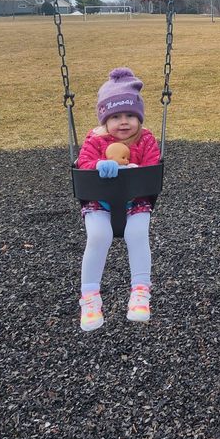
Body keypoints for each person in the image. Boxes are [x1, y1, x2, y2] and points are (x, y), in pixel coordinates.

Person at [75, 67, 160, 331]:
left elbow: (152, 165)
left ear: (139, 117)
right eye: (115, 116)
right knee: (98, 236)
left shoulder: (146, 140)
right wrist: (98, 165)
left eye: (130, 115)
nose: (124, 122)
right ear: (104, 120)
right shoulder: (95, 140)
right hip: (98, 201)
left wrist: (135, 170)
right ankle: (90, 298)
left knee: (138, 235)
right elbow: (84, 163)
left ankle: (140, 293)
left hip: (136, 201)